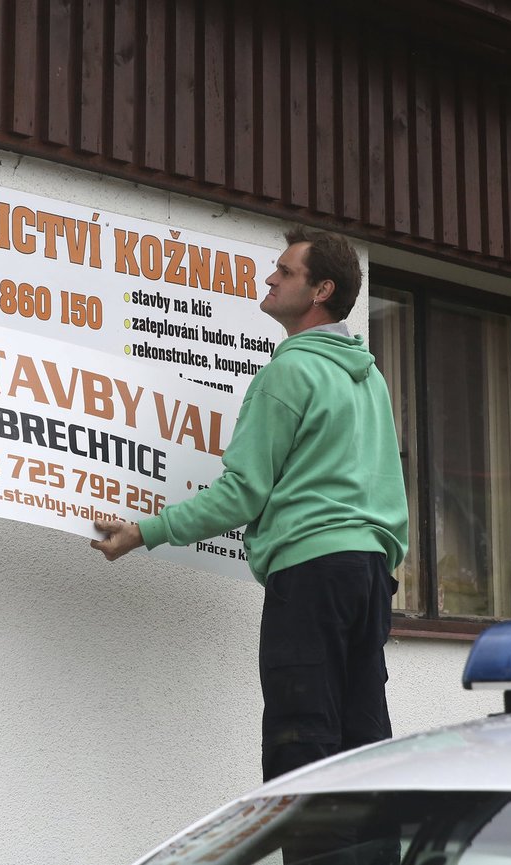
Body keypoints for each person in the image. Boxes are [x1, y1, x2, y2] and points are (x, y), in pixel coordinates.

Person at [91, 226, 409, 782]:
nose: (269, 277)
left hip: (310, 576)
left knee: (302, 746)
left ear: (320, 291)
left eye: (286, 272)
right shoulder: (372, 379)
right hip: (370, 577)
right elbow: (388, 482)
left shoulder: (288, 371)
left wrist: (144, 531)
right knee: (363, 752)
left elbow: (242, 492)